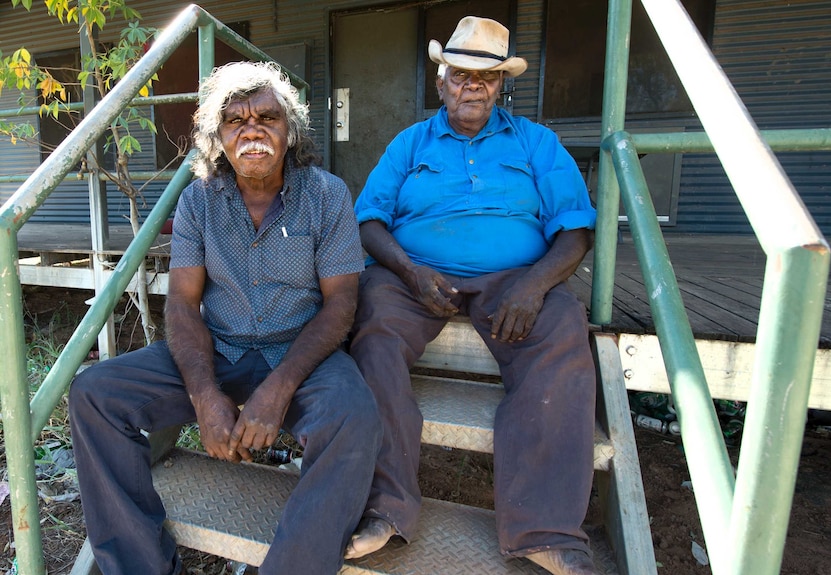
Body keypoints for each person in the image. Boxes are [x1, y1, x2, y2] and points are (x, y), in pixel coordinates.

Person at [69, 61, 382, 575]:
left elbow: (341, 304)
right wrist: (204, 394)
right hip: (218, 347)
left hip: (300, 351)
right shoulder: (197, 202)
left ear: (291, 130)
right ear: (217, 137)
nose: (252, 129)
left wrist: (278, 389)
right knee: (95, 394)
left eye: (267, 117)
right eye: (235, 120)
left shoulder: (327, 195)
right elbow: (183, 303)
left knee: (354, 416)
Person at [345, 16, 600, 575]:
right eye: (460, 75)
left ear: (500, 85)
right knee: (369, 331)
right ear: (441, 83)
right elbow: (368, 221)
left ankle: (546, 530)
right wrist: (410, 272)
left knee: (561, 330)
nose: (472, 86)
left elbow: (577, 228)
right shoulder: (409, 143)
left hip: (516, 279)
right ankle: (383, 508)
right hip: (415, 277)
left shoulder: (537, 142)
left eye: (486, 77)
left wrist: (535, 284)